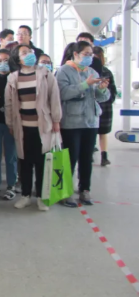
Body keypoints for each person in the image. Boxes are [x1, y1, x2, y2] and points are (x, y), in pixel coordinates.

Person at [4, 43, 62, 211]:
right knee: (25, 162)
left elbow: (54, 97)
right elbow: (9, 103)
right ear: (18, 59)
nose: (29, 54)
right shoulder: (13, 78)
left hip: (43, 127)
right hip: (22, 127)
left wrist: (56, 120)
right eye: (24, 52)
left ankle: (42, 197)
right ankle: (26, 195)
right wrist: (10, 123)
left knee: (42, 162)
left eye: (30, 51)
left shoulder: (45, 74)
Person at [56, 40, 110, 207]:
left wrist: (102, 88)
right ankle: (66, 192)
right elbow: (63, 93)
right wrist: (85, 84)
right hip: (71, 122)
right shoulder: (64, 71)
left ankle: (85, 189)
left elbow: (101, 97)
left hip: (91, 121)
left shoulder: (91, 71)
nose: (89, 57)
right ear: (76, 54)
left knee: (87, 158)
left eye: (91, 54)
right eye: (86, 54)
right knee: (70, 158)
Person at [0, 48, 18, 200]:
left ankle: (11, 185)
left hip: (11, 122)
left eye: (5, 60)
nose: (2, 63)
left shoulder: (15, 77)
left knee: (11, 155)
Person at [91, 46, 116, 166]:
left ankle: (103, 156)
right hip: (93, 106)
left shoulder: (106, 72)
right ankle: (91, 154)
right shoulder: (88, 72)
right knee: (92, 132)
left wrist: (108, 99)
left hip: (104, 107)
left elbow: (112, 90)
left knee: (102, 132)